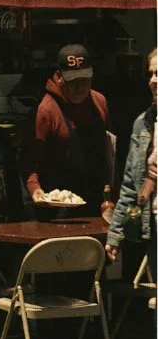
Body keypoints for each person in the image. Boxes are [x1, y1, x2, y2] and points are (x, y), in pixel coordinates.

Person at [106, 47, 155, 339]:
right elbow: (130, 182)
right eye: (152, 73)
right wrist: (117, 232)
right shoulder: (143, 123)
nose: (154, 80)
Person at [19, 43, 114, 213]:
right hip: (58, 208)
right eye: (73, 81)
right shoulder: (46, 110)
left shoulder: (100, 102)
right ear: (59, 77)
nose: (80, 87)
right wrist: (36, 190)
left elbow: (110, 154)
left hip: (97, 203)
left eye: (85, 79)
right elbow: (28, 162)